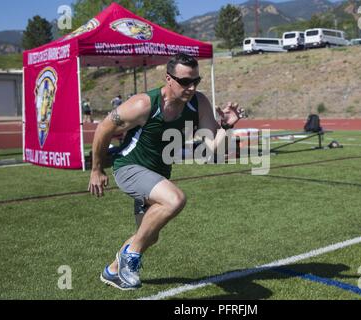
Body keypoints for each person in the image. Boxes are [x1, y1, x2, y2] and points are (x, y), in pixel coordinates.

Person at [88, 53, 245, 290]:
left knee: (149, 235)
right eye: (184, 81)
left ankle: (111, 270)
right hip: (130, 167)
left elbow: (213, 149)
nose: (191, 87)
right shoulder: (144, 104)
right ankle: (130, 257)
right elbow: (103, 128)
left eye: (196, 81)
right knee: (175, 200)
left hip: (158, 174)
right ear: (168, 79)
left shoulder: (198, 103)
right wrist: (96, 169)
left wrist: (225, 126)